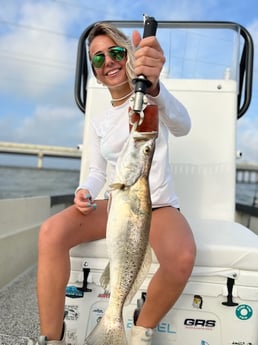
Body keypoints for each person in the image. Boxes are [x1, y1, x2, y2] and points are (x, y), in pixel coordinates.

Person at [35, 22, 196, 345]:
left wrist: (154, 88)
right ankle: (51, 338)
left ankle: (139, 331)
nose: (107, 61)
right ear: (94, 71)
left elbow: (183, 125)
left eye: (116, 52)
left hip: (157, 203)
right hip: (117, 200)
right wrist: (85, 191)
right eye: (97, 58)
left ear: (129, 55)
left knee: (182, 258)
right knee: (51, 232)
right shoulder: (99, 120)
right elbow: (97, 170)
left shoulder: (154, 99)